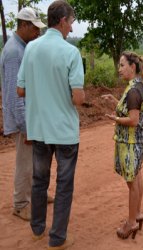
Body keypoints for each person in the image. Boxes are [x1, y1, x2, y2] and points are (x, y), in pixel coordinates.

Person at [16, 0, 85, 249]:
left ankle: (37, 230)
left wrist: (42, 90)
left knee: (39, 180)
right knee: (64, 185)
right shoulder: (70, 53)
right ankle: (57, 239)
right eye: (71, 23)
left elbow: (21, 89)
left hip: (40, 129)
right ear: (63, 21)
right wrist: (70, 94)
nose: (72, 29)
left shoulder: (31, 48)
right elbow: (78, 98)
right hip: (65, 132)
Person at [0, 7, 51, 221]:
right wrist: (26, 126)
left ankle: (36, 193)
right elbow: (14, 95)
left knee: (33, 159)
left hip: (30, 117)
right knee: (24, 162)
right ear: (23, 25)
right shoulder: (14, 52)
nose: (37, 33)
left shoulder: (22, 48)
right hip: (24, 120)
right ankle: (20, 204)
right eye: (34, 28)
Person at [102, 51, 143, 240]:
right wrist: (115, 101)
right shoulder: (136, 87)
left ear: (132, 67)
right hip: (135, 142)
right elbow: (129, 108)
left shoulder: (134, 90)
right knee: (136, 177)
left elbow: (133, 120)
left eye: (122, 65)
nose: (119, 69)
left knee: (131, 183)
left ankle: (131, 223)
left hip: (129, 144)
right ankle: (137, 214)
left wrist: (116, 119)